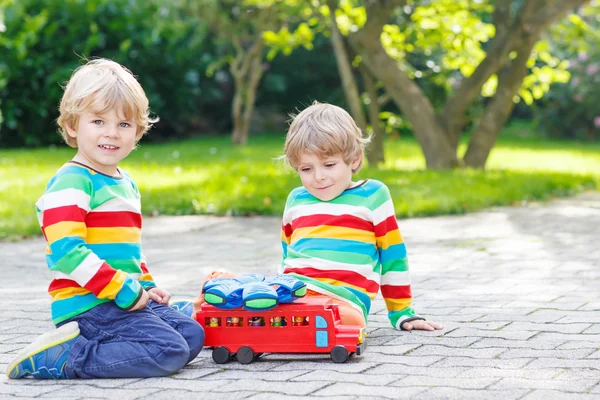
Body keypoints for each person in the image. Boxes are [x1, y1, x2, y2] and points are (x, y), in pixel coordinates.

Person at [5, 58, 204, 380]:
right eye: (98, 122)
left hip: (121, 295)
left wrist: (147, 287)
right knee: (169, 351)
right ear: (72, 125)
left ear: (137, 132)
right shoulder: (72, 181)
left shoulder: (124, 183)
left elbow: (128, 254)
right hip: (89, 305)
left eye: (124, 125)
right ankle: (68, 356)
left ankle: (141, 330)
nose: (111, 133)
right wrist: (125, 290)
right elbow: (66, 250)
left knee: (192, 336)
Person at [278, 101, 443, 332]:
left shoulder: (373, 195)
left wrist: (402, 312)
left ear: (354, 159)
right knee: (255, 302)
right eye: (306, 169)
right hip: (296, 292)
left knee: (344, 323)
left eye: (329, 165)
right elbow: (287, 254)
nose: (319, 177)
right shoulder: (297, 199)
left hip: (343, 301)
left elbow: (393, 255)